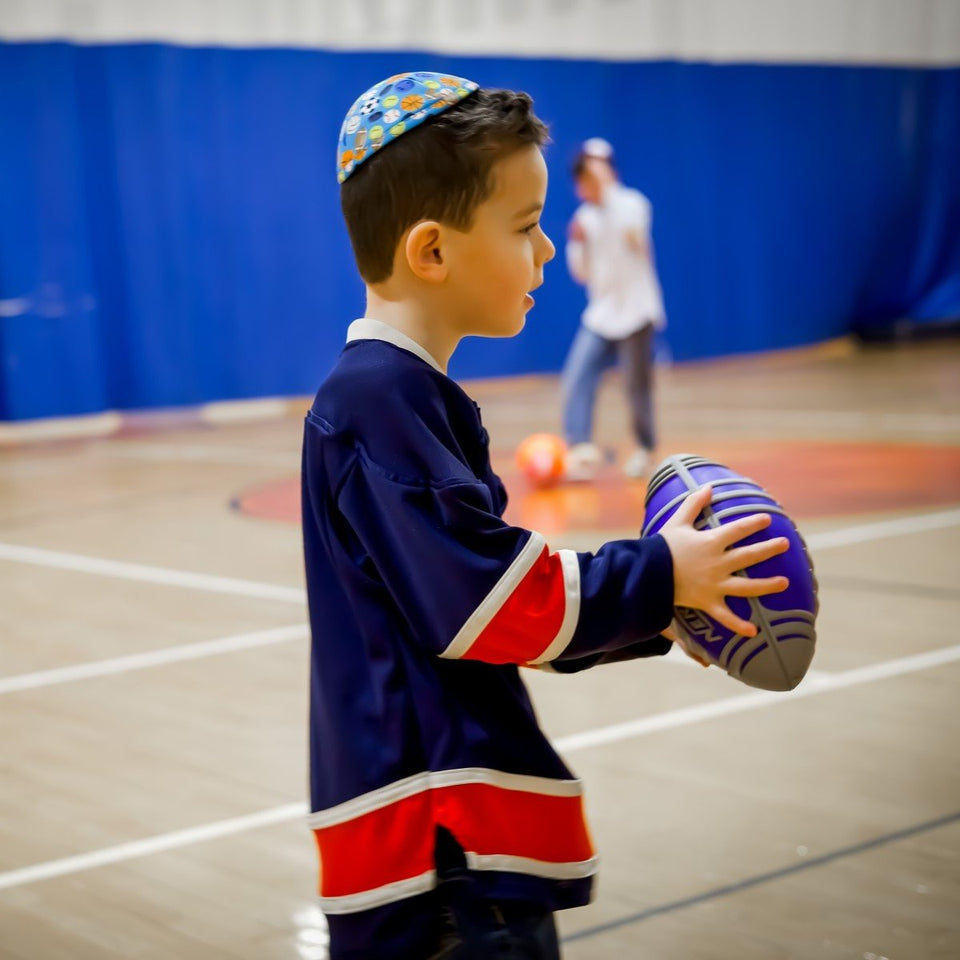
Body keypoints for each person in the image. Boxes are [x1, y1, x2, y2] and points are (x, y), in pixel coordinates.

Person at [302, 71, 789, 960]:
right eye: (525, 229)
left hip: (446, 850)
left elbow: (490, 611)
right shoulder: (380, 400)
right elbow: (487, 601)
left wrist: (661, 615)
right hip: (441, 857)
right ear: (432, 252)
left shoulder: (401, 395)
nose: (546, 253)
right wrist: (660, 574)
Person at [562, 137, 666, 481]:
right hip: (602, 313)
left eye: (594, 172)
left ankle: (645, 449)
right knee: (578, 376)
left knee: (636, 386)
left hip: (637, 311)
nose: (587, 183)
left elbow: (634, 237)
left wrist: (605, 190)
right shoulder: (583, 218)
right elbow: (581, 273)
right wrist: (576, 244)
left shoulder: (632, 203)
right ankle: (581, 450)